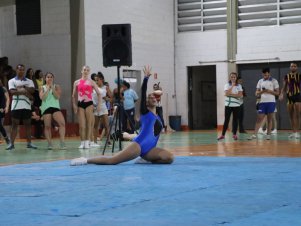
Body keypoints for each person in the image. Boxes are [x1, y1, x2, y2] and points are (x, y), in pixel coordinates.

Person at [70, 65, 174, 166]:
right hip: (139, 145)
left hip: (151, 149)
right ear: (146, 102)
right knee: (113, 160)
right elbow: (143, 91)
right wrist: (146, 78)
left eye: (154, 97)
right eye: (150, 97)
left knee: (169, 158)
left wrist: (158, 90)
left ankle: (145, 159)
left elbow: (159, 96)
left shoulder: (159, 116)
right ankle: (85, 160)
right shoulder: (145, 112)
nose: (153, 98)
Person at [6, 64, 37, 150]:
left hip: (26, 105)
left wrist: (22, 87)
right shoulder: (11, 81)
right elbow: (12, 92)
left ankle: (29, 143)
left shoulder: (29, 81)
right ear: (16, 70)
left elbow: (33, 90)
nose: (21, 71)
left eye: (23, 70)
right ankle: (11, 144)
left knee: (28, 125)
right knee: (14, 125)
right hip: (16, 105)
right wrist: (26, 92)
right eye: (20, 69)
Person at [72, 66, 101, 149]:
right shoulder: (76, 82)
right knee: (82, 125)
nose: (86, 71)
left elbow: (99, 94)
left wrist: (99, 105)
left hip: (89, 103)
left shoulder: (91, 82)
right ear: (82, 71)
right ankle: (82, 142)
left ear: (89, 72)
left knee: (89, 124)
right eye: (84, 70)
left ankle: (88, 142)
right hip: (80, 104)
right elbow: (73, 96)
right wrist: (74, 105)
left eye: (87, 70)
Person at [248, 68, 279, 140]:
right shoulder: (260, 81)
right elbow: (256, 93)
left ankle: (268, 135)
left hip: (271, 102)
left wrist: (269, 91)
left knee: (269, 119)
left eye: (267, 74)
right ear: (262, 74)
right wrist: (262, 91)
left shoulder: (274, 81)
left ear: (269, 74)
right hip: (262, 102)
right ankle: (254, 135)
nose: (265, 76)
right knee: (259, 119)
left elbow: (277, 93)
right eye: (264, 75)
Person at [39, 72, 66, 149]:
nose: (49, 78)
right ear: (45, 78)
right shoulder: (42, 87)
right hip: (46, 108)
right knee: (47, 126)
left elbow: (57, 97)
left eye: (51, 77)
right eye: (48, 77)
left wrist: (52, 88)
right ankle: (49, 144)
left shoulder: (57, 86)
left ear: (53, 78)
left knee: (62, 123)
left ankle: (62, 142)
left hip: (55, 107)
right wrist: (48, 89)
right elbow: (42, 98)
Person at [217, 72, 243, 141]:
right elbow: (226, 93)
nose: (233, 78)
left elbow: (240, 95)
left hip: (236, 105)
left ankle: (234, 134)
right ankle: (223, 135)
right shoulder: (227, 85)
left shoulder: (239, 86)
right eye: (232, 77)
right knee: (226, 120)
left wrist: (230, 94)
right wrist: (232, 87)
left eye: (234, 77)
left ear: (236, 78)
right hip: (228, 105)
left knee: (235, 120)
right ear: (230, 77)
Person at [279, 62, 301, 139]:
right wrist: (281, 94)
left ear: (297, 68)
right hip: (289, 97)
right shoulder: (286, 76)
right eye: (292, 66)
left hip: (298, 96)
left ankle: (297, 132)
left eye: (295, 66)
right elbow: (284, 87)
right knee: (291, 116)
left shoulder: (299, 76)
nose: (293, 67)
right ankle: (294, 132)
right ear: (290, 67)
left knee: (298, 115)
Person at [91, 72, 111, 146]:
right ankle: (95, 142)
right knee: (95, 125)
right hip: (95, 107)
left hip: (103, 107)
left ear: (101, 79)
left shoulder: (106, 87)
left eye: (97, 80)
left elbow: (111, 98)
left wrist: (107, 98)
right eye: (95, 80)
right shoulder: (93, 87)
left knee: (106, 125)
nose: (96, 82)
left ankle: (108, 141)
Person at [0, 80, 10, 145]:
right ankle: (6, 138)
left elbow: (8, 98)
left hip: (1, 109)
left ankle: (6, 138)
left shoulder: (3, 88)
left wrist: (7, 107)